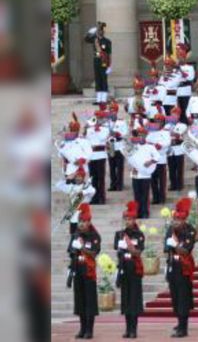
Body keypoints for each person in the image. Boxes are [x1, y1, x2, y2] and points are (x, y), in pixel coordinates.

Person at [164, 197, 197, 338]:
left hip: (184, 267)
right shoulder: (170, 230)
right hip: (173, 265)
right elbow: (166, 248)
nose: (175, 223)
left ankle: (184, 327)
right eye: (174, 220)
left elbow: (186, 250)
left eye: (178, 220)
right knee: (175, 297)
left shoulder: (190, 231)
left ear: (184, 220)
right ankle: (179, 322)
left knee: (183, 297)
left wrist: (175, 245)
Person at [67, 203, 100, 339]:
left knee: (89, 301)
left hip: (88, 271)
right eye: (80, 221)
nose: (81, 224)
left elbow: (94, 253)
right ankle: (82, 328)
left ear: (89, 222)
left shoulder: (94, 236)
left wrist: (82, 248)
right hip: (77, 269)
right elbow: (70, 251)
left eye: (84, 222)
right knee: (80, 300)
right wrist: (74, 249)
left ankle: (89, 330)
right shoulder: (75, 235)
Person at [114, 201, 145, 339]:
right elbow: (117, 249)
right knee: (126, 299)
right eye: (126, 219)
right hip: (124, 268)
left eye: (130, 219)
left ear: (134, 220)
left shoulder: (139, 234)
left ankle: (134, 329)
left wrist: (130, 247)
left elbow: (138, 252)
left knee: (134, 299)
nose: (128, 221)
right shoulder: (119, 234)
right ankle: (127, 328)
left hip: (135, 269)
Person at [127, 127, 160, 219]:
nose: (141, 137)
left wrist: (150, 162)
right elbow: (128, 157)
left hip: (145, 173)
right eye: (139, 135)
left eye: (142, 135)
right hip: (136, 173)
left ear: (146, 136)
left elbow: (157, 157)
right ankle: (137, 212)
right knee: (136, 194)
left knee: (145, 195)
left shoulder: (150, 146)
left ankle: (145, 212)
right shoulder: (133, 146)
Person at [54, 167, 96, 235]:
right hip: (73, 211)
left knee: (83, 233)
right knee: (73, 233)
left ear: (83, 178)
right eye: (76, 176)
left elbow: (93, 191)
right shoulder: (71, 187)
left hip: (83, 213)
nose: (78, 178)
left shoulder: (87, 186)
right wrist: (67, 178)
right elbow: (58, 185)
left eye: (80, 177)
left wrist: (83, 192)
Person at [85, 110, 110, 204]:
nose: (98, 120)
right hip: (91, 156)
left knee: (101, 177)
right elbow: (87, 141)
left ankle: (102, 198)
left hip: (101, 155)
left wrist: (97, 130)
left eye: (100, 118)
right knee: (92, 178)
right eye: (96, 118)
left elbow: (102, 139)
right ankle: (94, 197)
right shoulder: (89, 130)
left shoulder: (105, 129)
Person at [146, 114, 171, 204]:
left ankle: (162, 197)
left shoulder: (165, 132)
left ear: (163, 122)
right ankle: (155, 197)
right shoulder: (151, 133)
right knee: (153, 180)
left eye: (159, 121)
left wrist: (160, 145)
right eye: (156, 121)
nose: (157, 123)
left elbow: (167, 142)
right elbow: (147, 141)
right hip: (152, 159)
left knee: (162, 180)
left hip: (161, 158)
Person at [84, 21, 111, 105]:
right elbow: (86, 39)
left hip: (104, 61)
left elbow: (109, 53)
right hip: (96, 60)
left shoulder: (107, 41)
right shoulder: (95, 40)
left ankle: (104, 99)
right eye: (98, 31)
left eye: (101, 31)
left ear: (103, 32)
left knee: (103, 79)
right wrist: (91, 31)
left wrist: (109, 66)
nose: (100, 32)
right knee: (98, 79)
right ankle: (99, 99)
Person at [107, 101, 128, 191]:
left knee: (119, 166)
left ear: (117, 111)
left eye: (114, 111)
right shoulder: (106, 123)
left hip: (119, 145)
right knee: (111, 167)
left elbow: (126, 133)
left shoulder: (122, 122)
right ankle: (113, 184)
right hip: (111, 145)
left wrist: (118, 134)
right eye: (110, 111)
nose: (112, 112)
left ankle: (119, 185)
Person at [176, 44, 195, 124]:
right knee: (178, 109)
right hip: (177, 90)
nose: (181, 59)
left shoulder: (189, 68)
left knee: (186, 108)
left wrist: (180, 70)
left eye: (182, 58)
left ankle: (186, 122)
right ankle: (180, 123)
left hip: (185, 90)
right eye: (179, 58)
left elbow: (190, 78)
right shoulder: (175, 67)